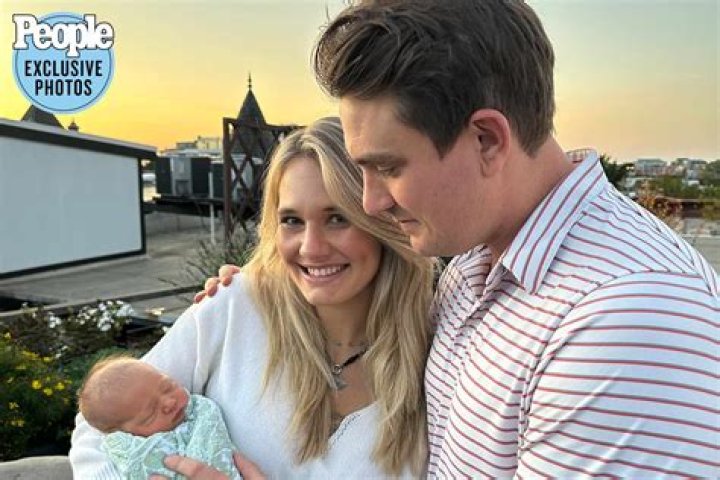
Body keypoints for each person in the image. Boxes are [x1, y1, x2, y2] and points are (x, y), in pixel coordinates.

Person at [203, 0, 719, 477]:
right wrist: (264, 290)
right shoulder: (476, 261)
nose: (371, 202)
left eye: (388, 167)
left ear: (487, 140)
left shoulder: (628, 318)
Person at [69, 117, 436, 479]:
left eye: (338, 218)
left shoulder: (437, 346)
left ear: (384, 220)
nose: (311, 248)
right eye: (291, 220)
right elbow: (98, 430)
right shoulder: (235, 307)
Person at [77, 356, 241, 480]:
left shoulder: (199, 411)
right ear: (126, 434)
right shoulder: (137, 451)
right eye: (150, 414)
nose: (169, 403)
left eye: (169, 387)